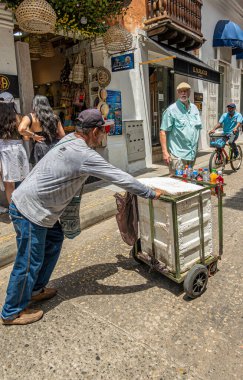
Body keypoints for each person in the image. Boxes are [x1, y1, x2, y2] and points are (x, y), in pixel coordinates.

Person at [1, 109, 164, 325]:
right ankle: (11, 311)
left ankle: (35, 289)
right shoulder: (84, 155)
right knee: (29, 261)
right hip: (30, 211)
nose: (105, 134)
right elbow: (118, 176)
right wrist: (149, 192)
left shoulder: (71, 139)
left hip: (36, 207)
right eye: (104, 130)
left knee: (54, 239)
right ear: (95, 131)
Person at [160, 82, 202, 174]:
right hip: (177, 154)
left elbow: (197, 129)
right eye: (181, 91)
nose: (183, 93)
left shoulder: (195, 108)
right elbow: (163, 131)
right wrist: (165, 152)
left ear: (189, 92)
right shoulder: (171, 110)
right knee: (176, 182)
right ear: (178, 93)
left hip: (192, 153)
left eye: (186, 91)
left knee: (189, 179)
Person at [0, 92, 29, 206]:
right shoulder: (19, 117)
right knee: (22, 181)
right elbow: (26, 137)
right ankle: (22, 208)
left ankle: (13, 210)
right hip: (17, 150)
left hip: (2, 152)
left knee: (8, 184)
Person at [18, 95, 65, 165]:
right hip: (54, 146)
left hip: (40, 148)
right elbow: (62, 135)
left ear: (34, 104)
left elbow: (21, 129)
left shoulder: (30, 117)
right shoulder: (55, 117)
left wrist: (33, 135)